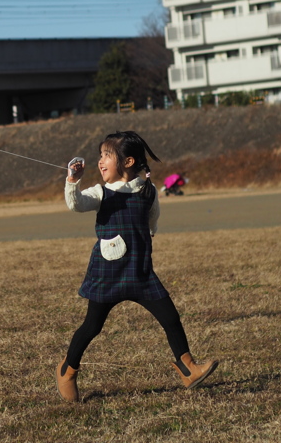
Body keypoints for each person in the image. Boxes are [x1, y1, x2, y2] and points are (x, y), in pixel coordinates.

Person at [55, 130, 218, 402]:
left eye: (107, 155)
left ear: (128, 162)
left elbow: (153, 218)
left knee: (170, 317)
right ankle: (67, 371)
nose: (100, 161)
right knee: (92, 326)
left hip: (140, 271)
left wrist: (148, 235)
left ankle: (187, 368)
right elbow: (76, 204)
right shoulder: (99, 192)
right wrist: (73, 181)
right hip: (108, 272)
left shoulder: (148, 191)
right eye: (100, 155)